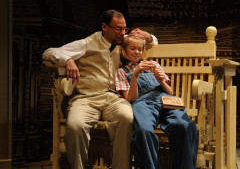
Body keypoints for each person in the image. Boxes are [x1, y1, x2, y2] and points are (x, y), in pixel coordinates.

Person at [42, 9, 158, 169]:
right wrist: (68, 60)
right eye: (118, 29)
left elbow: (153, 42)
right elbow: (49, 52)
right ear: (105, 27)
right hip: (86, 98)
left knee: (126, 117)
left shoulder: (124, 42)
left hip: (114, 98)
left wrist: (147, 36)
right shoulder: (85, 44)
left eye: (125, 29)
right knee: (75, 125)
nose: (123, 33)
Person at [114, 36, 199, 169]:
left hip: (165, 99)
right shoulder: (121, 72)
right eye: (133, 48)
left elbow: (170, 93)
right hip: (142, 103)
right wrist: (135, 75)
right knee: (143, 131)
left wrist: (161, 81)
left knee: (184, 125)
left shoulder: (153, 65)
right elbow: (130, 98)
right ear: (124, 50)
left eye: (140, 49)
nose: (137, 52)